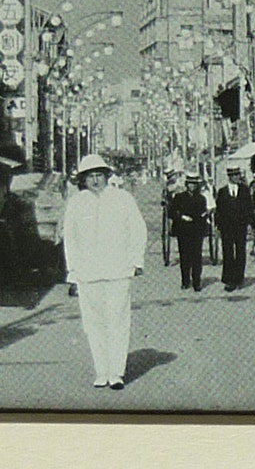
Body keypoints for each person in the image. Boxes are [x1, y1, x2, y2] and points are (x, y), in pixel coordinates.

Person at [63, 154, 147, 390]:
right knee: (93, 324)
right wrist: (73, 272)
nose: (96, 180)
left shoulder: (122, 199)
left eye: (99, 175)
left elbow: (137, 230)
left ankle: (116, 373)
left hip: (118, 270)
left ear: (107, 176)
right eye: (90, 176)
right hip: (88, 273)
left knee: (118, 321)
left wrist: (135, 261)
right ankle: (102, 371)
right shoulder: (77, 203)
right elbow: (70, 239)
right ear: (83, 180)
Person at [216, 164, 253, 292]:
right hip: (227, 228)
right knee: (228, 253)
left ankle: (239, 278)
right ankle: (229, 279)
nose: (237, 177)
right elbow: (219, 211)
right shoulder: (222, 192)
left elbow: (249, 208)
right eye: (234, 175)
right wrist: (218, 226)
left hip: (240, 227)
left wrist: (251, 225)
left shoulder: (245, 190)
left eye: (238, 175)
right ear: (229, 177)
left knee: (241, 252)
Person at [169, 171, 208, 291]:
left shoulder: (201, 198)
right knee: (185, 256)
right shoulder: (179, 197)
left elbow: (203, 213)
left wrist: (203, 216)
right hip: (183, 230)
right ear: (186, 184)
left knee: (197, 257)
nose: (192, 186)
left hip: (196, 231)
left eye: (194, 184)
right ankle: (185, 280)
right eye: (190, 184)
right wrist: (181, 217)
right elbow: (171, 212)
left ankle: (197, 281)